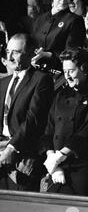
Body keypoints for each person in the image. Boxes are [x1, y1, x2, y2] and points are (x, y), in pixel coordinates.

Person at [39, 47, 88, 195]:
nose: (67, 76)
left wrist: (60, 156)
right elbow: (49, 129)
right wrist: (52, 160)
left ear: (84, 69)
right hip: (57, 169)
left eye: (72, 71)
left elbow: (87, 132)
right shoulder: (61, 95)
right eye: (65, 72)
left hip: (80, 168)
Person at [0, 33, 54, 191]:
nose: (9, 56)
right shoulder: (3, 83)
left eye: (15, 52)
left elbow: (33, 119)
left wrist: (12, 148)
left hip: (22, 157)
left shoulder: (41, 80)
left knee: (21, 211)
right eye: (8, 51)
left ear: (30, 54)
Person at [31, 0, 86, 72]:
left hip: (58, 75)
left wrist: (48, 55)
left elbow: (73, 54)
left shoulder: (75, 20)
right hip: (35, 72)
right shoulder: (40, 19)